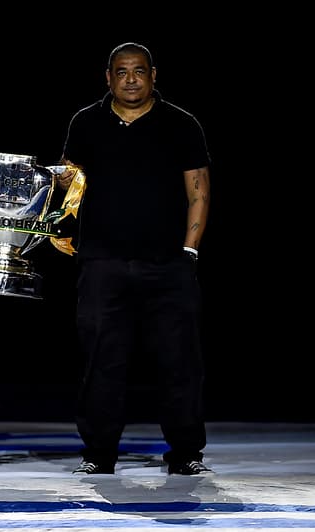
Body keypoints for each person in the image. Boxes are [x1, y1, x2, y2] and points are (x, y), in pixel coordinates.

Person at [56, 42, 212, 475]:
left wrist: (189, 251)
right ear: (107, 77)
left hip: (168, 265)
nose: (130, 79)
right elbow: (70, 185)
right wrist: (61, 208)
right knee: (101, 362)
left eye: (139, 71)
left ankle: (186, 453)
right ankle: (98, 454)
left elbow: (199, 191)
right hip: (102, 264)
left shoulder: (181, 124)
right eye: (121, 71)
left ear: (153, 75)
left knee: (180, 362)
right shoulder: (86, 122)